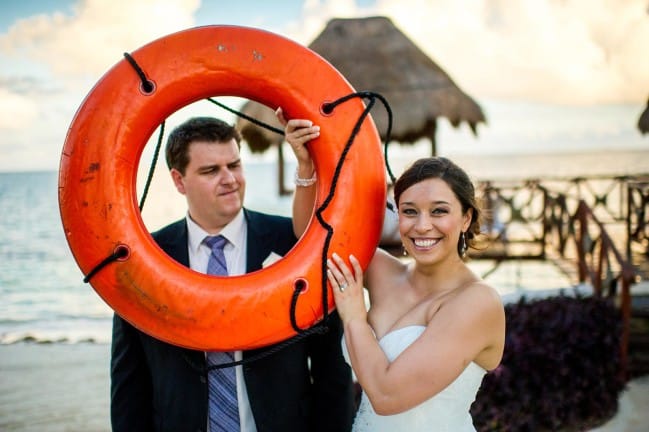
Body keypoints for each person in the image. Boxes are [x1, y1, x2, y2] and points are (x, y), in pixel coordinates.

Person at [110, 117, 355, 432]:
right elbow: (129, 382)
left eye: (234, 165)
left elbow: (331, 367)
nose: (229, 179)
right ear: (178, 180)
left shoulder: (293, 242)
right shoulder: (144, 258)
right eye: (211, 171)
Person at [279, 109, 506, 432]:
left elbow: (386, 396)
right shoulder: (384, 271)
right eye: (409, 212)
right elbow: (312, 237)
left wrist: (355, 316)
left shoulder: (477, 302)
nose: (422, 226)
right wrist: (307, 166)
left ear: (466, 218)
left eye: (439, 211)